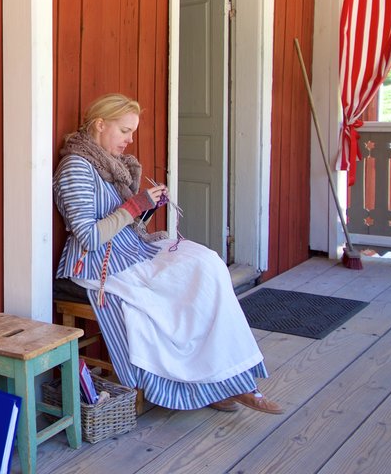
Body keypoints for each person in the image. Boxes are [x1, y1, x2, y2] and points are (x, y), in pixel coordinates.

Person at [53, 93, 283, 414]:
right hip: (96, 266)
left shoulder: (108, 166)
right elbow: (90, 237)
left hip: (129, 251)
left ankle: (226, 378)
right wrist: (135, 205)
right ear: (100, 125)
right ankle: (211, 383)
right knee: (185, 283)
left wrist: (142, 211)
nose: (130, 140)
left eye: (132, 132)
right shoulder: (75, 168)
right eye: (124, 131)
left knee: (207, 266)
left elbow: (123, 223)